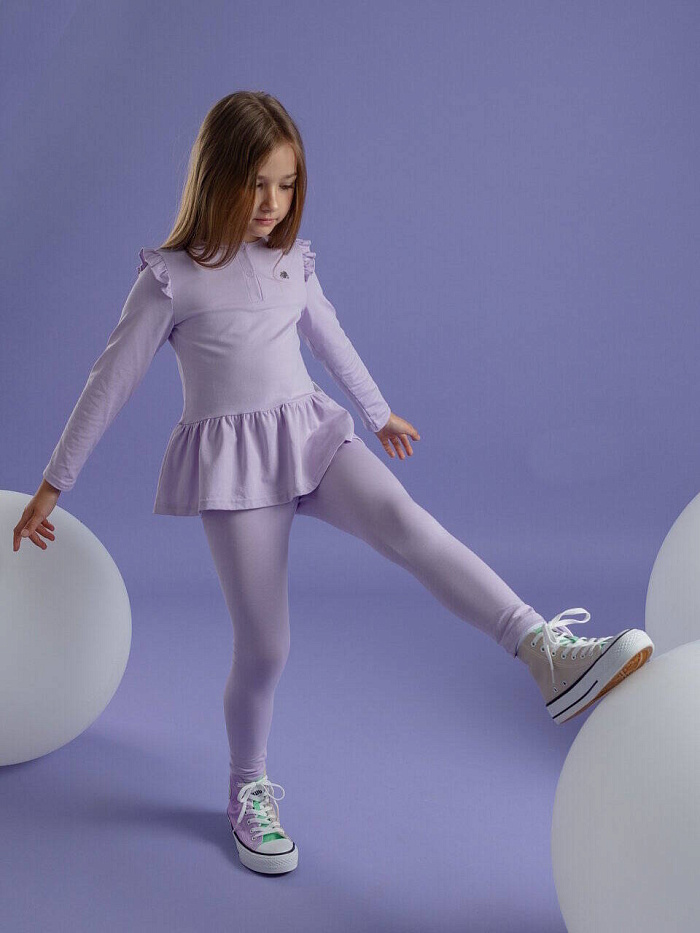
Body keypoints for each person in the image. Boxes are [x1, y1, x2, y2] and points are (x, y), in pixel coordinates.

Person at [12, 91, 654, 876]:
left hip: (313, 434)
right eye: (255, 184)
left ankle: (544, 651)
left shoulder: (293, 261)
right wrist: (55, 483)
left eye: (286, 185)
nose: (272, 203)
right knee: (265, 647)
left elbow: (329, 336)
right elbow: (108, 381)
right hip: (236, 467)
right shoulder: (170, 279)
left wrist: (377, 413)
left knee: (410, 525)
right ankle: (247, 788)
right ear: (215, 179)